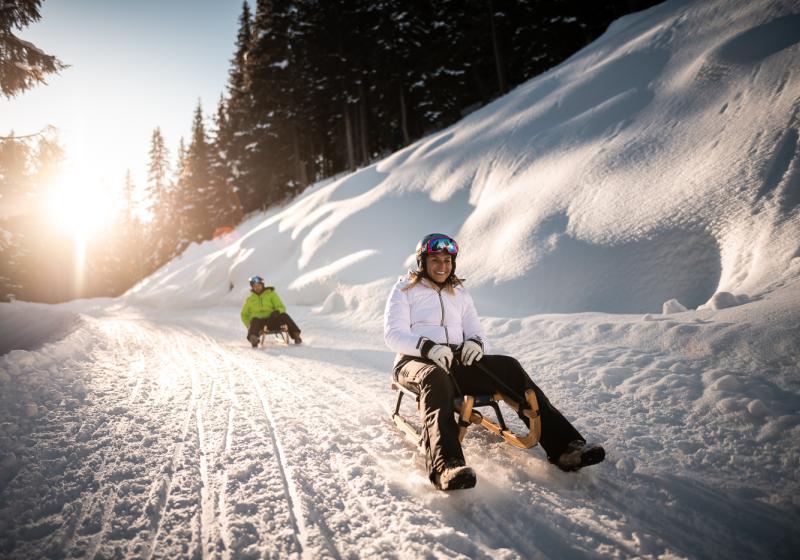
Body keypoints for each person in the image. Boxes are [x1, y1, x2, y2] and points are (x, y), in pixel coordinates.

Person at [383, 233, 605, 491]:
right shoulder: (404, 289)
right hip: (414, 361)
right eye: (435, 260)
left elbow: (479, 333)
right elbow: (393, 334)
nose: (442, 266)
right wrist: (427, 347)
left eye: (447, 260)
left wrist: (475, 344)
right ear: (423, 261)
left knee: (508, 366)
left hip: (453, 361)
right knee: (434, 377)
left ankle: (565, 447)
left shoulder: (460, 293)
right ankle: (446, 466)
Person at [241, 275, 302, 347]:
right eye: (254, 286)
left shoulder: (271, 294)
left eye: (258, 285)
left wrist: (277, 311)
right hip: (259, 324)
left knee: (284, 315)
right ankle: (253, 338)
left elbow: (281, 307)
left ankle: (296, 335)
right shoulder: (250, 299)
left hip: (272, 319)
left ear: (262, 285)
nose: (257, 287)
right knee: (254, 320)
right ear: (252, 287)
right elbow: (243, 314)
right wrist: (249, 325)